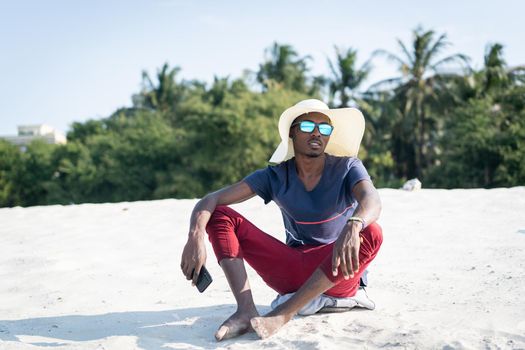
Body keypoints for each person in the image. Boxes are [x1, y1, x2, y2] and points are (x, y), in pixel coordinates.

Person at [180, 99, 383, 340]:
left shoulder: (348, 166)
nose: (317, 133)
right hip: (292, 268)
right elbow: (211, 199)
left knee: (373, 233)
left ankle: (283, 314)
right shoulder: (275, 175)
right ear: (292, 132)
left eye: (324, 128)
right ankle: (245, 310)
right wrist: (195, 236)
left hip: (337, 271)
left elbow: (372, 200)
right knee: (220, 215)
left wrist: (354, 223)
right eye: (308, 126)